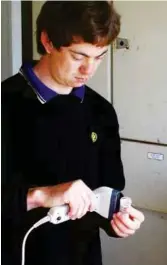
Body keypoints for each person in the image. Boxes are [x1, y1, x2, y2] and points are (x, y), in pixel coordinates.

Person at [1, 1, 145, 265]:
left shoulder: (101, 112)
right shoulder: (6, 105)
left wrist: (117, 220)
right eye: (78, 56)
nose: (88, 70)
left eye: (99, 57)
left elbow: (108, 191)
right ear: (47, 41)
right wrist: (40, 196)